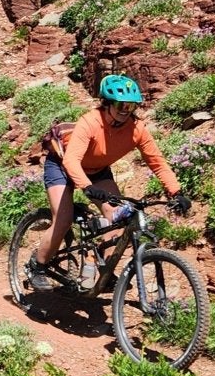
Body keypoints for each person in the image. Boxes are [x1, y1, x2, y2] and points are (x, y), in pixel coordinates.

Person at [27, 73, 190, 290]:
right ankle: (37, 266)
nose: (125, 111)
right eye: (120, 105)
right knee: (63, 219)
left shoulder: (137, 129)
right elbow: (72, 161)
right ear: (107, 103)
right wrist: (87, 187)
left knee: (119, 220)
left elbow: (157, 162)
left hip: (97, 170)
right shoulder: (91, 122)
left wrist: (176, 192)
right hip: (61, 166)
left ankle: (103, 270)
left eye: (130, 107)